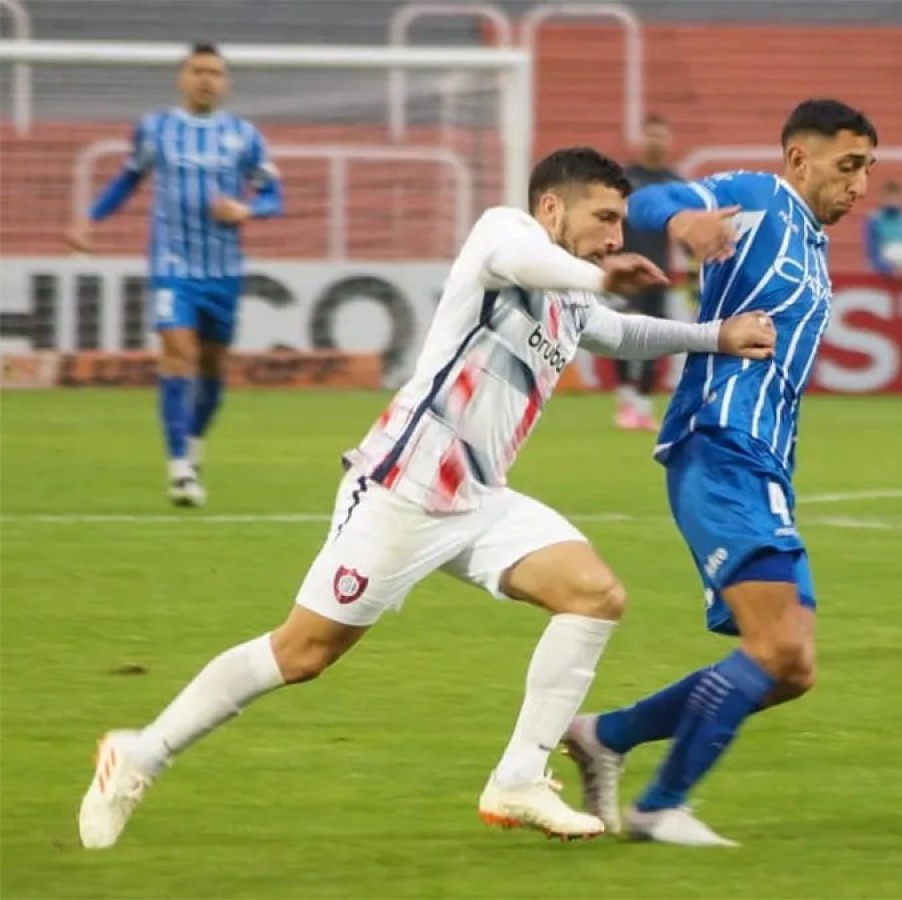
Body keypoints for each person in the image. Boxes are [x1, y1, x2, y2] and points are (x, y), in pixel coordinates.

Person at [75, 147, 777, 850]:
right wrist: (596, 271)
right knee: (303, 652)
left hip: (479, 496)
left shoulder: (568, 292)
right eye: (605, 219)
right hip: (405, 488)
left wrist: (714, 336)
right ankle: (139, 752)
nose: (618, 237)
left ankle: (518, 777)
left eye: (621, 224)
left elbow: (619, 333)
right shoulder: (504, 234)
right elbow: (536, 266)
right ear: (552, 207)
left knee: (594, 595)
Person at [560, 98, 878, 847]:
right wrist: (682, 225)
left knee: (793, 667)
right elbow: (655, 196)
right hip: (723, 446)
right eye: (848, 165)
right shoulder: (765, 202)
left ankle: (604, 734)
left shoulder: (811, 243)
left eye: (868, 168)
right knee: (774, 649)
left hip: (764, 465)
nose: (860, 185)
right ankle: (659, 806)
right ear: (800, 159)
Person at [64, 43, 285, 507]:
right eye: (198, 70)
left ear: (225, 82)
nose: (206, 79)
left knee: (212, 370)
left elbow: (273, 197)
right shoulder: (156, 130)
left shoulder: (245, 137)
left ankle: (192, 445)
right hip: (172, 267)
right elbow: (128, 180)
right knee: (177, 353)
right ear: (182, 77)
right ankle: (179, 469)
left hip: (223, 271)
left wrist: (244, 208)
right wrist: (90, 220)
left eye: (216, 72)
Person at [615, 114, 684, 431]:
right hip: (624, 270)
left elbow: (685, 224)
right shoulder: (624, 179)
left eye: (661, 135)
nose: (656, 141)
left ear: (669, 140)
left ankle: (642, 404)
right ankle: (625, 398)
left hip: (659, 270)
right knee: (622, 334)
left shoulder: (675, 181)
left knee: (654, 337)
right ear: (640, 139)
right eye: (650, 134)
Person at [863, 180, 902, 279]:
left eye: (895, 197)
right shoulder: (874, 221)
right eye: (889, 197)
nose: (892, 201)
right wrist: (889, 269)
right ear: (882, 198)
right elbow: (872, 251)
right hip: (882, 274)